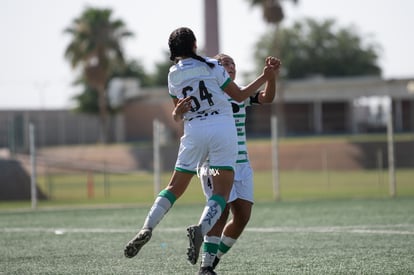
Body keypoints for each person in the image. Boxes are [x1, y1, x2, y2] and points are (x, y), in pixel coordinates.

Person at [123, 27, 278, 263]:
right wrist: (265, 77)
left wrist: (177, 113)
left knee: (175, 185)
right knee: (221, 196)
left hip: (196, 133)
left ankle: (148, 227)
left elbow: (180, 114)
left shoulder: (173, 74)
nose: (229, 65)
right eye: (227, 62)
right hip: (220, 138)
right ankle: (201, 234)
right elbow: (238, 95)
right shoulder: (212, 67)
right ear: (195, 45)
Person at [196, 54, 281, 275]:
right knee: (221, 210)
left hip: (241, 164)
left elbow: (266, 98)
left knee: (243, 216)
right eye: (224, 63)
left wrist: (270, 78)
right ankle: (205, 266)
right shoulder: (210, 95)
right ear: (216, 70)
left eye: (232, 63)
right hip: (214, 165)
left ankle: (214, 259)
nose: (230, 66)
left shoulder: (241, 93)